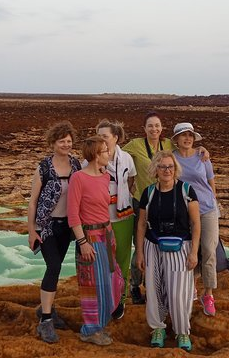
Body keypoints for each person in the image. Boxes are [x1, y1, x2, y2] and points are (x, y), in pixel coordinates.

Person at [122, 111, 209, 304]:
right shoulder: (135, 145)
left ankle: (160, 285)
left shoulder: (168, 143)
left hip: (166, 200)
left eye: (157, 126)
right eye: (150, 126)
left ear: (162, 129)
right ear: (144, 128)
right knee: (141, 246)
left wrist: (202, 148)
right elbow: (117, 155)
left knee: (162, 243)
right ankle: (135, 286)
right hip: (143, 201)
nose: (154, 129)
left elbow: (187, 147)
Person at [135, 150, 200, 352]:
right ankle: (158, 328)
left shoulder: (187, 190)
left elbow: (196, 223)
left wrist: (194, 252)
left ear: (175, 169)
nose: (166, 170)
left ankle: (182, 332)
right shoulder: (149, 192)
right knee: (154, 290)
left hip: (181, 247)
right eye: (162, 166)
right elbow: (141, 224)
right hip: (153, 246)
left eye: (170, 166)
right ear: (155, 169)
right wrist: (139, 253)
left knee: (178, 292)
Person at [27, 122, 81, 344]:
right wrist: (31, 230)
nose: (66, 145)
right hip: (46, 226)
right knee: (54, 266)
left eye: (69, 141)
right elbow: (32, 202)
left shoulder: (76, 164)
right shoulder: (44, 167)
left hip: (66, 227)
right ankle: (46, 321)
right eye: (62, 142)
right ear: (53, 143)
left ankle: (46, 308)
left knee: (56, 268)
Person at [68, 136, 124, 346]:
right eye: (104, 151)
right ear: (94, 155)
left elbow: (104, 210)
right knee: (92, 286)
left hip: (106, 236)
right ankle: (90, 330)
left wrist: (111, 237)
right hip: (89, 239)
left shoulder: (105, 177)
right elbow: (73, 215)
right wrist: (83, 243)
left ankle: (99, 324)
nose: (108, 154)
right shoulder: (79, 178)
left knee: (112, 281)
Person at [172, 122, 219, 317]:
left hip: (207, 209)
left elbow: (211, 183)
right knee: (188, 252)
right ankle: (190, 288)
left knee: (208, 250)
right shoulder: (172, 159)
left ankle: (208, 295)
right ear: (176, 139)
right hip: (183, 212)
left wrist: (213, 204)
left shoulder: (202, 157)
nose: (188, 138)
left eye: (191, 135)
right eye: (184, 135)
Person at [93, 119, 136, 317]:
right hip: (100, 219)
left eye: (105, 136)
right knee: (103, 262)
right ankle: (104, 299)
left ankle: (120, 300)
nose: (101, 140)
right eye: (98, 136)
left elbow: (131, 179)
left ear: (115, 138)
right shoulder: (91, 160)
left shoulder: (126, 158)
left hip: (124, 217)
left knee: (122, 261)